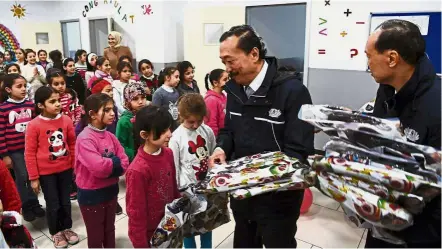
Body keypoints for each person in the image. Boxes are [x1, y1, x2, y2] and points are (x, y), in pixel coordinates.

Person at [208, 25, 314, 248]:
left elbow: (298, 153)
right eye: (223, 62)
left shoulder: (292, 91)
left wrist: (261, 177)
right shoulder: (235, 90)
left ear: (254, 54)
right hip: (242, 194)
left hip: (278, 200)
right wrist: (221, 149)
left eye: (230, 61)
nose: (227, 69)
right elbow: (228, 131)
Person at [363, 19, 441, 248]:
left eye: (369, 56)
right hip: (382, 214)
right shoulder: (386, 89)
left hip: (419, 231)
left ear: (392, 58)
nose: (367, 64)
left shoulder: (437, 107)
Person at [24, 86, 79, 248]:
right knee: (53, 203)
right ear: (41, 105)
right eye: (52, 101)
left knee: (66, 202)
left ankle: (67, 228)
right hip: (46, 174)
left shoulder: (66, 120)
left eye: (58, 101)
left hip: (65, 169)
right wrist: (34, 178)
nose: (57, 105)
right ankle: (56, 231)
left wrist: (75, 166)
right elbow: (29, 153)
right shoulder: (34, 125)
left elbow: (72, 143)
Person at [75, 93, 129, 248]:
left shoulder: (110, 136)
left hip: (111, 191)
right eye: (106, 110)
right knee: (95, 234)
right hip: (91, 195)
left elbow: (125, 162)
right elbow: (98, 168)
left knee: (109, 229)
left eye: (113, 109)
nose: (112, 113)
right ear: (92, 114)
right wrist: (115, 164)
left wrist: (111, 164)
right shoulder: (85, 138)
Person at [126, 105, 180, 248]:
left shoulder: (168, 153)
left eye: (169, 128)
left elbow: (173, 187)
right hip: (151, 234)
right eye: (163, 131)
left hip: (170, 224)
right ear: (144, 135)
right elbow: (136, 213)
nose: (169, 134)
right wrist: (140, 244)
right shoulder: (137, 170)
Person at [169, 93, 216, 249]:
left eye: (200, 120)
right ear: (181, 116)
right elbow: (174, 167)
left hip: (206, 188)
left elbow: (212, 154)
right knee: (188, 229)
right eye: (191, 122)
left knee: (206, 226)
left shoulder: (207, 131)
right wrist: (176, 193)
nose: (196, 125)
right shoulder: (176, 138)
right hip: (186, 192)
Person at [0, 74, 45, 222]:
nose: (23, 89)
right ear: (8, 89)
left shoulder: (30, 105)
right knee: (22, 178)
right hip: (15, 151)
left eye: (24, 85)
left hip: (31, 149)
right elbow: (0, 134)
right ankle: (25, 206)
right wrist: (5, 155)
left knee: (33, 176)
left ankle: (35, 203)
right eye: (19, 86)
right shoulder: (3, 108)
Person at [116, 82, 147, 162]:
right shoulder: (124, 121)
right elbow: (120, 145)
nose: (140, 102)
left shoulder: (147, 115)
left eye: (143, 97)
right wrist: (134, 156)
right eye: (135, 99)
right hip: (134, 161)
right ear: (128, 101)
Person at [204, 69, 228, 137]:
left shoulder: (223, 96)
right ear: (215, 83)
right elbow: (211, 123)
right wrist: (216, 140)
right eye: (225, 79)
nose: (228, 81)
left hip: (225, 135)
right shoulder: (211, 100)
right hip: (218, 137)